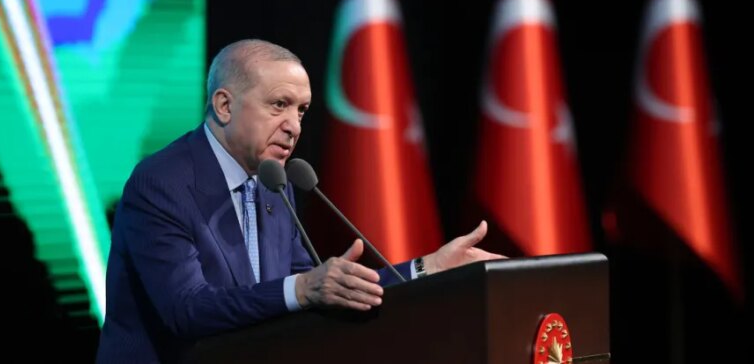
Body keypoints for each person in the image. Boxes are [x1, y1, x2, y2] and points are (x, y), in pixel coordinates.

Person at [96, 39, 504, 363]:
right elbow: (187, 310)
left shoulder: (274, 184)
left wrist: (426, 268)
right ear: (224, 105)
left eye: (302, 110)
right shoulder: (162, 183)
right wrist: (306, 288)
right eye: (279, 105)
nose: (294, 126)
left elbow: (320, 289)